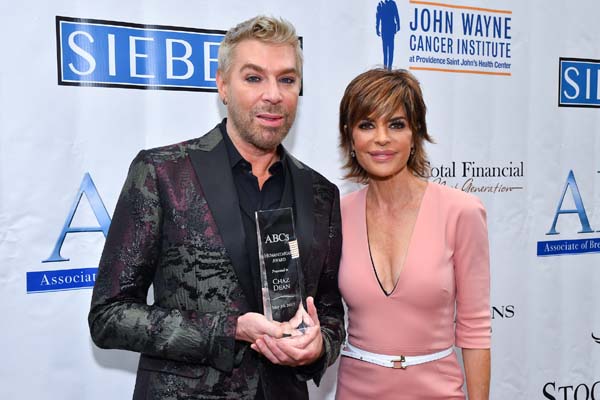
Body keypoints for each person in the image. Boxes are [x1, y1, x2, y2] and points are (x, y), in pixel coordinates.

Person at [88, 16, 345, 400]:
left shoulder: (321, 192)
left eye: (287, 80)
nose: (273, 94)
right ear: (223, 86)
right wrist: (230, 329)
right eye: (254, 78)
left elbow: (329, 309)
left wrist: (319, 346)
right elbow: (109, 316)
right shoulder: (162, 173)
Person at [335, 68, 491, 399]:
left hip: (438, 391)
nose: (381, 138)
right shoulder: (335, 214)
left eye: (396, 124)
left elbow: (475, 331)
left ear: (415, 131)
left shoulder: (460, 211)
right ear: (349, 136)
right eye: (366, 125)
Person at [376, 0, 400, 70]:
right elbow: (378, 17)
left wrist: (398, 25)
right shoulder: (381, 4)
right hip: (384, 30)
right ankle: (385, 67)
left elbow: (396, 15)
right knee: (385, 49)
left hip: (391, 29)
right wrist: (377, 28)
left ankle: (389, 67)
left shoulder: (392, 3)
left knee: (391, 49)